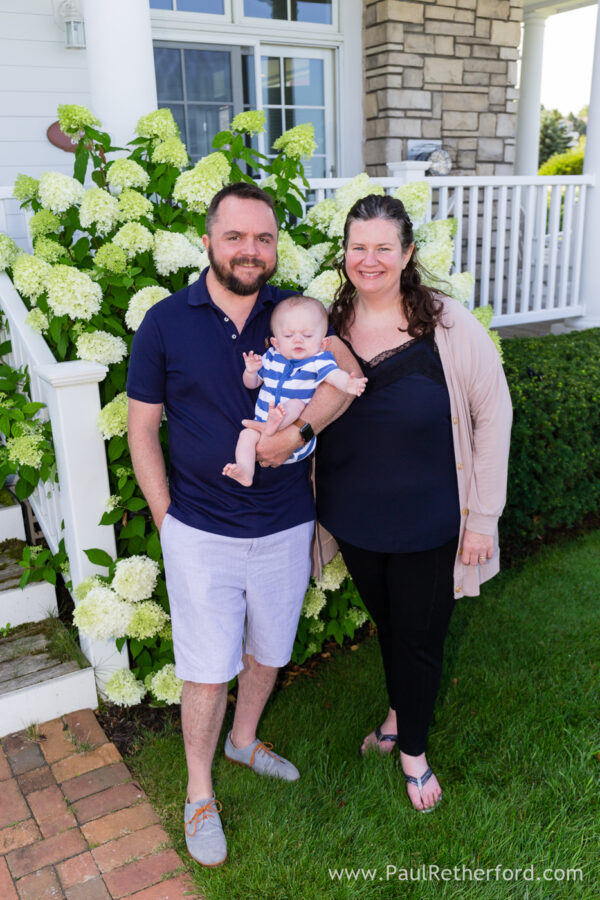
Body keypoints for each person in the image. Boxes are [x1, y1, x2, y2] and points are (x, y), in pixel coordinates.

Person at [126, 183, 356, 866]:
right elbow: (142, 429)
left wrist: (300, 433)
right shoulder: (166, 322)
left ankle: (244, 739)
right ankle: (199, 793)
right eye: (235, 236)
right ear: (207, 241)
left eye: (263, 238)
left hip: (284, 523)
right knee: (205, 671)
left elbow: (345, 375)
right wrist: (166, 520)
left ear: (275, 245)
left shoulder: (293, 315)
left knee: (270, 651)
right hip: (200, 529)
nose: (250, 250)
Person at [315, 193, 512, 813]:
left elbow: (494, 414)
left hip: (431, 520)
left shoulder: (447, 325)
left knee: (421, 637)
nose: (369, 259)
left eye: (383, 247)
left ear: (407, 254)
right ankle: (400, 713)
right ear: (344, 253)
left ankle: (414, 755)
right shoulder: (326, 325)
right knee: (393, 625)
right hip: (354, 518)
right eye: (358, 247)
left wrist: (482, 519)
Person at [223, 295, 367, 486]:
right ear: (275, 343)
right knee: (246, 436)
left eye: (307, 336)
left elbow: (334, 375)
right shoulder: (271, 357)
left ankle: (274, 424)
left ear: (323, 343)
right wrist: (251, 371)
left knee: (295, 404)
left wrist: (348, 384)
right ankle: (245, 471)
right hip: (262, 430)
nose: (298, 340)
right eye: (288, 336)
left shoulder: (318, 360)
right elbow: (252, 384)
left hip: (294, 438)